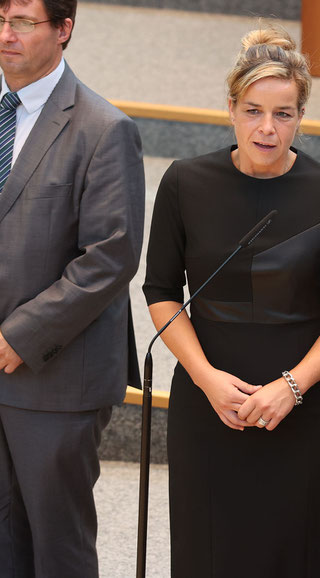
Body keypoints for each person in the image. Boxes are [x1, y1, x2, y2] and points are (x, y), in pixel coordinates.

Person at [142, 28, 320, 577]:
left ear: (301, 116)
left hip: (306, 409)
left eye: (284, 114)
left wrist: (291, 387)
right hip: (209, 407)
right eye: (253, 111)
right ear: (230, 109)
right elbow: (159, 292)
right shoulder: (185, 182)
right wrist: (204, 378)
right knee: (212, 554)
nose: (267, 129)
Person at [0, 0, 144, 575]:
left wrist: (20, 337)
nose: (6, 34)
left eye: (23, 22)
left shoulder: (104, 129)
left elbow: (110, 258)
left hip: (55, 377)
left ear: (64, 30)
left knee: (57, 549)